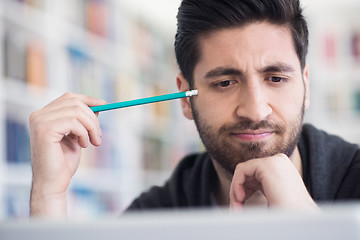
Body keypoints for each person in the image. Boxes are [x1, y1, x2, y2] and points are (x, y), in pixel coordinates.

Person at [29, 0, 360, 217]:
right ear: (186, 98)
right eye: (224, 83)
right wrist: (48, 193)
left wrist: (309, 227)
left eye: (275, 78)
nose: (255, 110)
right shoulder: (154, 217)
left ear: (305, 86)